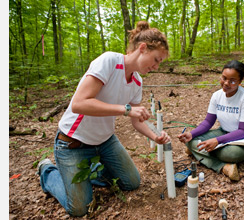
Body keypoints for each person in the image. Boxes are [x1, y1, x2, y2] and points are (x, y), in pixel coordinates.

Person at [36, 21, 171, 217]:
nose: (157, 66)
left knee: (132, 182)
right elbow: (79, 103)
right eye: (156, 59)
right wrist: (125, 109)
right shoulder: (108, 61)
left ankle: (89, 171)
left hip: (105, 142)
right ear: (142, 48)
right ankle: (48, 171)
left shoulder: (137, 81)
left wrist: (155, 135)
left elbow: (136, 120)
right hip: (73, 143)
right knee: (80, 208)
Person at [178, 60, 244, 181]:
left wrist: (217, 140)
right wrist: (191, 134)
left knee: (228, 154)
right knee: (191, 140)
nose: (226, 83)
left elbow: (243, 131)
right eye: (224, 78)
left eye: (232, 81)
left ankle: (198, 151)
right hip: (224, 131)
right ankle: (223, 167)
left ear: (240, 82)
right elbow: (208, 122)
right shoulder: (217, 95)